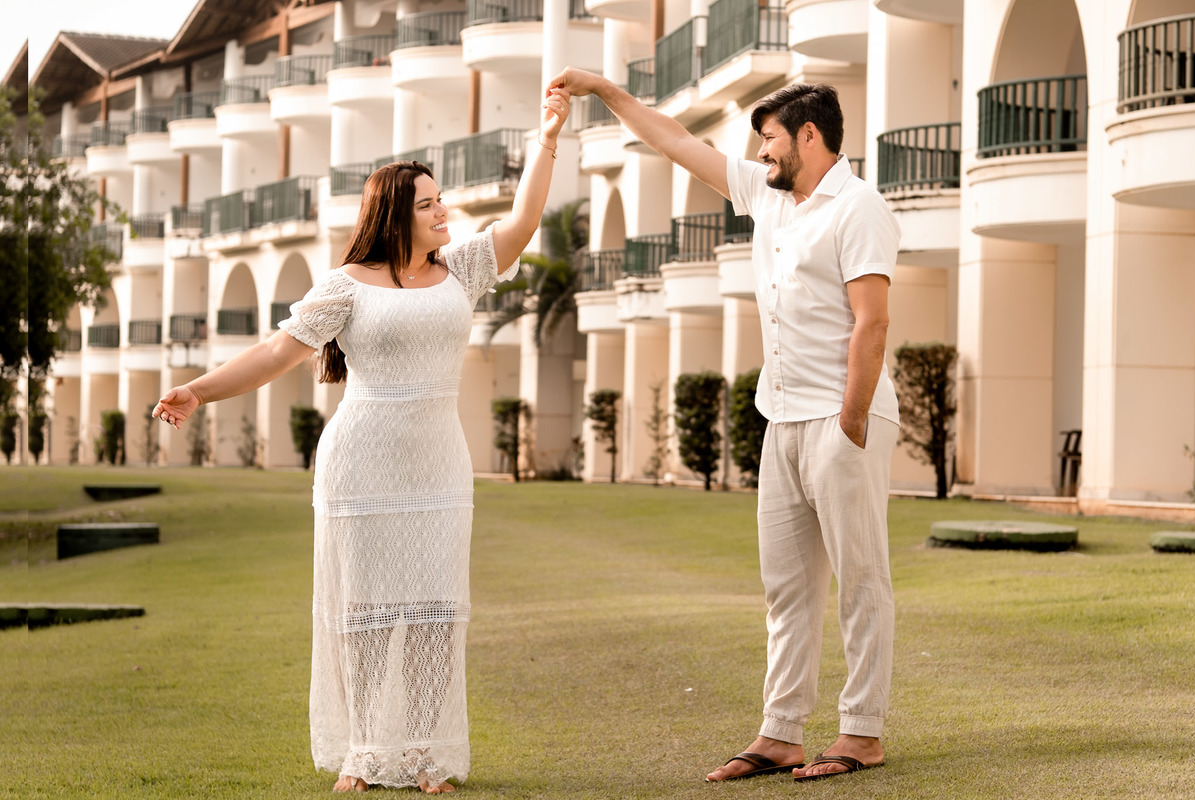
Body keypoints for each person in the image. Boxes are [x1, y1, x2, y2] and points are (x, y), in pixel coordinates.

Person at [153, 87, 572, 794]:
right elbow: (275, 353)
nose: (443, 212)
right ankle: (368, 751)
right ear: (395, 216)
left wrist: (548, 138)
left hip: (438, 464)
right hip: (361, 461)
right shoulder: (345, 286)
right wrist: (199, 389)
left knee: (435, 612)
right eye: (428, 204)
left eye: (441, 200)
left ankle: (426, 754)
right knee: (367, 615)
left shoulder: (463, 268)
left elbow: (525, 219)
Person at [549, 69, 900, 783]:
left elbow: (872, 321)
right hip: (782, 417)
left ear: (808, 135)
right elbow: (676, 141)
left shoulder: (859, 206)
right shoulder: (767, 195)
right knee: (787, 587)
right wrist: (606, 91)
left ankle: (861, 733)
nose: (761, 152)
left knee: (861, 580)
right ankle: (781, 733)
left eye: (770, 138)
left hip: (843, 418)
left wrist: (851, 420)